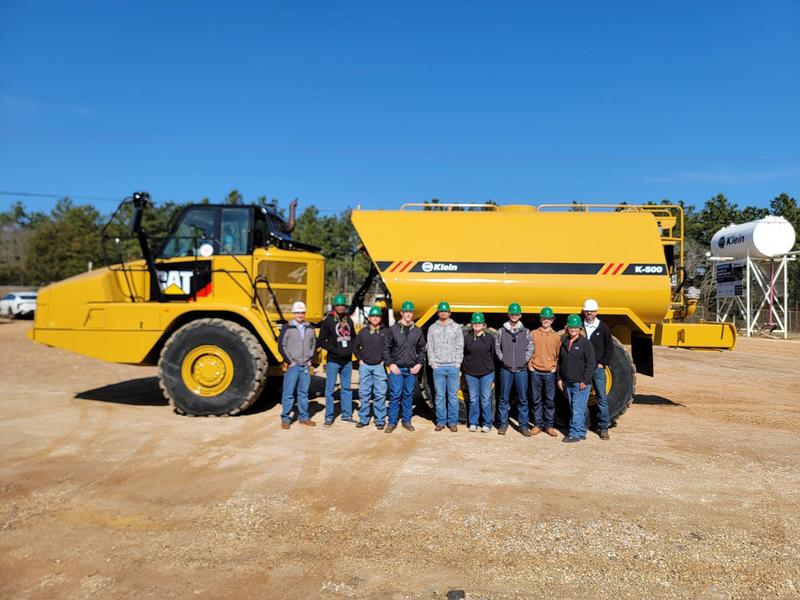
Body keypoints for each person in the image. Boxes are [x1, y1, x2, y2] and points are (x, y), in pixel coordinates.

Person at [382, 300, 426, 433]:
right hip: (397, 369)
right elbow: (386, 349)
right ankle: (392, 422)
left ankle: (406, 421)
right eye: (406, 311)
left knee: (408, 395)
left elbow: (422, 349)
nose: (408, 314)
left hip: (411, 370)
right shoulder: (393, 330)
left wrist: (419, 364)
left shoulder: (417, 331)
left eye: (410, 312)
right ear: (401, 313)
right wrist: (391, 364)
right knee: (395, 395)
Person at [495, 302, 533, 436]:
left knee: (523, 398)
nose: (514, 316)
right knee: (503, 398)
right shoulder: (501, 331)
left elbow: (530, 347)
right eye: (512, 313)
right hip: (506, 369)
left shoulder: (526, 331)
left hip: (521, 370)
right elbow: (497, 347)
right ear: (508, 314)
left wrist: (524, 360)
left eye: (517, 314)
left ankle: (523, 426)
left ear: (520, 315)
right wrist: (503, 359)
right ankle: (503, 424)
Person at [277, 301, 318, 429]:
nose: (300, 315)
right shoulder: (287, 328)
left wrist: (311, 359)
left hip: (305, 365)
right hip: (293, 366)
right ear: (294, 314)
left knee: (304, 393)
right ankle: (285, 418)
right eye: (298, 312)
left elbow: (314, 345)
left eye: (302, 312)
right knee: (288, 393)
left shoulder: (310, 328)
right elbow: (281, 346)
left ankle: (304, 417)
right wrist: (290, 361)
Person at [317, 294, 356, 427]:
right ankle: (329, 416)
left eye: (342, 305)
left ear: (345, 307)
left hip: (347, 362)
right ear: (335, 306)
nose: (340, 307)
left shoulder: (349, 321)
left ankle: (346, 415)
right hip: (333, 361)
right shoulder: (328, 321)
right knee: (330, 389)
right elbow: (321, 340)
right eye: (338, 305)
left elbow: (354, 337)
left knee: (346, 388)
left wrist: (351, 350)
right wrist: (335, 350)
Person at [557, 314, 596, 443]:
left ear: (580, 329)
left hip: (580, 383)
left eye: (576, 328)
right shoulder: (565, 342)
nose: (573, 330)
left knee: (577, 409)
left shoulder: (586, 344)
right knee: (575, 407)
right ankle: (580, 432)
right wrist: (559, 378)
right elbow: (560, 362)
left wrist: (585, 380)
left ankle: (574, 434)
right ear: (567, 328)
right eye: (571, 327)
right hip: (567, 381)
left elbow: (591, 364)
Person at [427, 301, 464, 432]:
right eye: (441, 311)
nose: (443, 313)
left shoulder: (456, 327)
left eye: (445, 311)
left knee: (453, 396)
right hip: (438, 368)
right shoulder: (432, 328)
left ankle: (452, 422)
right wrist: (433, 364)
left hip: (453, 367)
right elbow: (429, 347)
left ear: (449, 313)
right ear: (438, 313)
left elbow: (460, 346)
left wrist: (457, 363)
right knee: (440, 396)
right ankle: (441, 421)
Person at [582, 298, 613, 440]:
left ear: (596, 312)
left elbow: (610, 348)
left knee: (601, 397)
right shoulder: (580, 327)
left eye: (592, 311)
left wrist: (603, 363)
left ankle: (603, 427)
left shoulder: (603, 328)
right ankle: (583, 426)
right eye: (587, 311)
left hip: (597, 369)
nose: (589, 313)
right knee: (582, 398)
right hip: (583, 369)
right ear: (584, 312)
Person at [528, 307, 560, 437]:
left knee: (549, 400)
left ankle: (549, 426)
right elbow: (528, 350)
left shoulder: (556, 336)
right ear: (541, 319)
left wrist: (555, 367)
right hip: (535, 370)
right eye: (544, 318)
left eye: (548, 318)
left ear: (552, 320)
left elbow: (559, 354)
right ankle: (537, 425)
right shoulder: (533, 334)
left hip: (549, 372)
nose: (546, 320)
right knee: (536, 399)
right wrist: (530, 365)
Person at [354, 306, 388, 430]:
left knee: (380, 394)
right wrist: (360, 360)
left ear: (380, 318)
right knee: (364, 394)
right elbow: (355, 347)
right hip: (365, 367)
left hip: (379, 367)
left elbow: (389, 348)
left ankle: (380, 420)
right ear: (369, 318)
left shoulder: (385, 332)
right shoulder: (363, 332)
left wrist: (384, 361)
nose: (375, 318)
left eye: (377, 316)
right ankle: (363, 419)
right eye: (373, 316)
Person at [462, 312, 496, 433]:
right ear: (471, 324)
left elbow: (492, 354)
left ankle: (487, 423)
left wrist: (487, 366)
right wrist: (466, 368)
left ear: (483, 324)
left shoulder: (489, 338)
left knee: (485, 398)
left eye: (479, 323)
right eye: (475, 323)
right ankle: (473, 422)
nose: (477, 325)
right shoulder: (467, 338)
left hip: (486, 373)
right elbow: (464, 354)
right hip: (471, 373)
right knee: (473, 398)